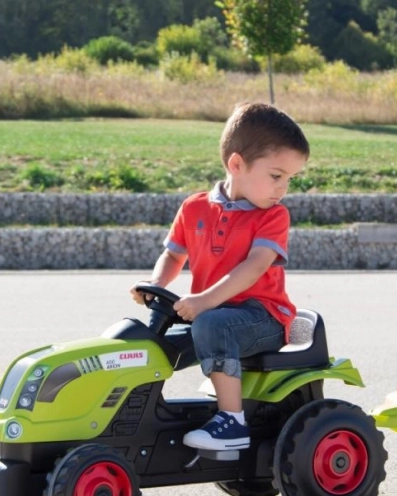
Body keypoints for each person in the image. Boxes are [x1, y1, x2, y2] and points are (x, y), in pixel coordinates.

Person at [130, 102, 310, 451]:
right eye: (276, 176)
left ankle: (232, 422)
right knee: (148, 336)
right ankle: (133, 413)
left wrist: (204, 301)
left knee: (210, 325)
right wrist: (155, 286)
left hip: (263, 317)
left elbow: (255, 267)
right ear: (237, 164)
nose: (283, 188)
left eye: (290, 178)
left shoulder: (273, 216)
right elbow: (173, 255)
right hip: (211, 313)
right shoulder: (194, 208)